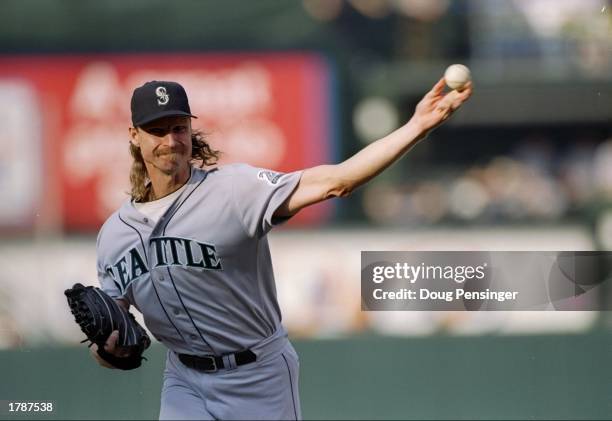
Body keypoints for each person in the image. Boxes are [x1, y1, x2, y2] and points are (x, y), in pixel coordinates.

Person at [90, 78, 472, 420]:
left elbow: (335, 182)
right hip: (183, 378)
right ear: (134, 135)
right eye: (157, 130)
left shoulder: (235, 191)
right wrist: (109, 350)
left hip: (258, 374)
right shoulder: (114, 236)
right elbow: (110, 331)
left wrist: (417, 127)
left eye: (179, 128)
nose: (171, 141)